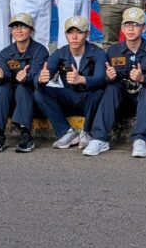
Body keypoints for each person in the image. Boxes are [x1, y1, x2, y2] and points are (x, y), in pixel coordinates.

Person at [83, 7, 146, 156]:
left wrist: (143, 78)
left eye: (136, 25)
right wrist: (109, 77)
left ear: (144, 28)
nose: (131, 29)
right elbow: (103, 79)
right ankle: (99, 139)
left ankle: (140, 139)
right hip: (121, 102)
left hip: (144, 102)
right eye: (127, 24)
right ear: (122, 28)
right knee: (111, 87)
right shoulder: (113, 51)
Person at [35, 15, 107, 149]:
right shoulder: (59, 53)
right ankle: (66, 132)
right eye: (70, 32)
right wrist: (41, 78)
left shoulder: (97, 52)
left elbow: (101, 78)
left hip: (88, 100)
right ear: (65, 35)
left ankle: (87, 132)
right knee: (40, 92)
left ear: (87, 34)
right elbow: (47, 71)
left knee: (99, 92)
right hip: (69, 97)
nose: (74, 36)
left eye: (79, 32)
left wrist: (82, 79)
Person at [0, 12, 50, 154]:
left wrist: (26, 77)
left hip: (33, 102)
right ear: (11, 31)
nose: (19, 30)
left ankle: (26, 134)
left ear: (31, 30)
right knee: (2, 87)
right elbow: (4, 77)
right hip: (10, 103)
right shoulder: (5, 53)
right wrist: (0, 76)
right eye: (15, 27)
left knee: (23, 87)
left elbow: (37, 76)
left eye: (23, 26)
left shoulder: (40, 50)